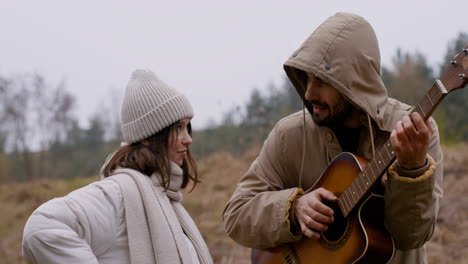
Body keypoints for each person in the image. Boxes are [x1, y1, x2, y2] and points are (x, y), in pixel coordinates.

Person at [223, 12, 442, 264]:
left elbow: (412, 237)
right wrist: (293, 209)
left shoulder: (415, 134)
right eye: (306, 78)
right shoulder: (288, 136)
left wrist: (413, 169)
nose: (309, 93)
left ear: (354, 83)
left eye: (322, 81)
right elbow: (236, 214)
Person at [22, 69, 213, 264]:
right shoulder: (120, 193)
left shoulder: (164, 198)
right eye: (178, 128)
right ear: (148, 135)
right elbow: (41, 228)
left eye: (187, 127)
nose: (188, 139)